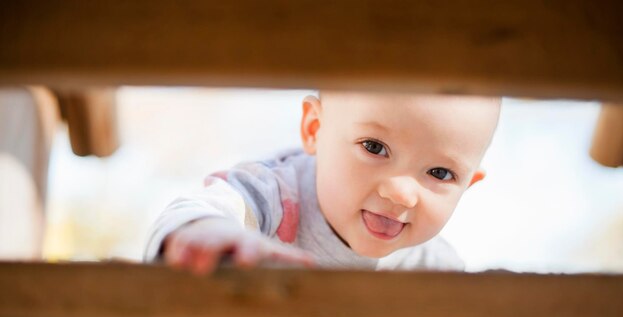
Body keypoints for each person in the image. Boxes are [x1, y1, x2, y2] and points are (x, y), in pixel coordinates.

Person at [144, 91, 501, 275]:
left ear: (467, 186)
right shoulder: (273, 194)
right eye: (374, 148)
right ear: (315, 129)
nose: (402, 193)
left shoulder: (433, 267)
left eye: (439, 173)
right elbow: (199, 209)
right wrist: (209, 230)